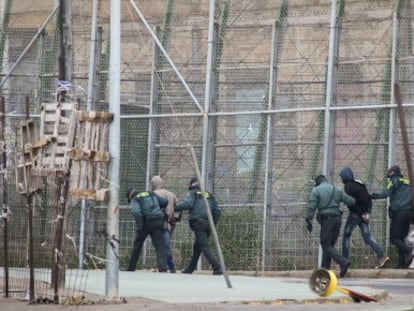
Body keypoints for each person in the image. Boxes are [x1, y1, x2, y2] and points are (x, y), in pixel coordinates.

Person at [305, 174, 356, 277]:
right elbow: (351, 201)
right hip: (337, 219)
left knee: (325, 244)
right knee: (329, 246)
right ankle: (324, 271)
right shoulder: (336, 189)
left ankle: (343, 262)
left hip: (327, 220)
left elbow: (312, 206)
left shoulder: (316, 190)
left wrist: (308, 219)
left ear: (317, 183)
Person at [339, 167, 390, 269]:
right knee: (368, 237)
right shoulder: (360, 185)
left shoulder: (348, 187)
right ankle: (381, 256)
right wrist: (367, 213)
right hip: (364, 215)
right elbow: (368, 198)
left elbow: (352, 203)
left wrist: (360, 213)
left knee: (346, 237)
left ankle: (344, 261)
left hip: (355, 215)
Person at [175, 177, 222, 275]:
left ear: (192, 186)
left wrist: (175, 208)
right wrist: (213, 223)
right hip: (208, 224)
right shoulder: (210, 195)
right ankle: (190, 269)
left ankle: (217, 267)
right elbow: (217, 211)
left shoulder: (194, 193)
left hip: (198, 223)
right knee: (197, 247)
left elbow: (188, 204)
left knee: (204, 246)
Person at [372, 165, 414, 269]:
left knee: (394, 238)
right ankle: (402, 264)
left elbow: (385, 193)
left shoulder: (393, 181)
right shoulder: (408, 182)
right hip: (408, 213)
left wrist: (372, 195)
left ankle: (409, 251)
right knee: (401, 238)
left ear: (391, 173)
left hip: (398, 213)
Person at [124, 188, 168, 272]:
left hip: (146, 222)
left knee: (137, 245)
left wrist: (140, 225)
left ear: (129, 196)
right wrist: (157, 208)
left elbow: (136, 212)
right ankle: (163, 268)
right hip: (158, 220)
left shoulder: (135, 198)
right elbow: (165, 202)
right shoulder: (151, 193)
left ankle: (131, 267)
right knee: (159, 245)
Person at [150, 175, 182, 273]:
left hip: (156, 223)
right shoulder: (171, 194)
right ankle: (167, 265)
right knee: (165, 244)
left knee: (162, 245)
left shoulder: (152, 194)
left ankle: (167, 265)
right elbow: (179, 207)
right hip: (169, 223)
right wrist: (175, 218)